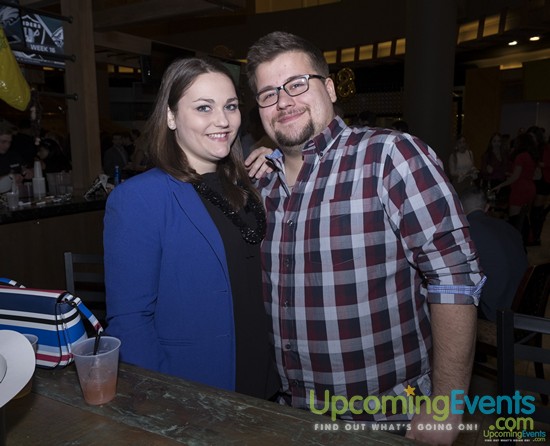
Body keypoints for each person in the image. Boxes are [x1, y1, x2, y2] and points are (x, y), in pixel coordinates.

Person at [245, 31, 484, 445]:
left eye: (297, 84)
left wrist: (445, 407)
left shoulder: (389, 156)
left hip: (386, 415)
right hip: (288, 412)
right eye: (268, 94)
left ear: (331, 88)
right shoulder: (260, 187)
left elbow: (455, 280)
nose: (283, 101)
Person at [103, 57, 278, 400]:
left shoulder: (247, 186)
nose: (222, 120)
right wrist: (169, 401)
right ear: (170, 116)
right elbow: (130, 321)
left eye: (230, 106)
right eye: (203, 107)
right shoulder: (140, 198)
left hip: (268, 380)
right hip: (197, 389)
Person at [459, 186, 528, 321]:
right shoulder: (509, 228)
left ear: (460, 210)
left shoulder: (466, 234)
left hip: (497, 312)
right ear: (486, 208)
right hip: (525, 303)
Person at [492, 132, 538, 245]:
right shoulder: (531, 156)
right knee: (524, 217)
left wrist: (500, 185)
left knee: (515, 219)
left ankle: (516, 243)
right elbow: (531, 174)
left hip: (520, 189)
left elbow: (515, 177)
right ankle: (526, 240)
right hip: (530, 187)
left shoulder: (520, 156)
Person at [0, 122, 33, 193]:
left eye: (9, 142)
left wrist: (27, 171)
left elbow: (24, 168)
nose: (7, 146)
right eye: (3, 142)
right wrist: (10, 179)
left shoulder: (13, 155)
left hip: (16, 199)